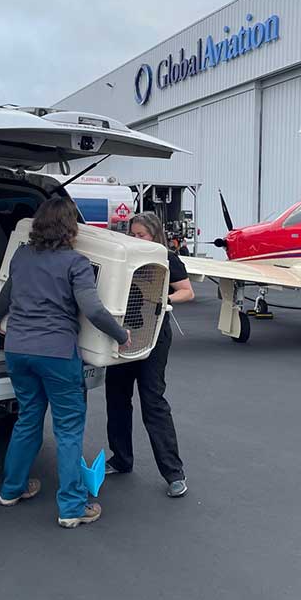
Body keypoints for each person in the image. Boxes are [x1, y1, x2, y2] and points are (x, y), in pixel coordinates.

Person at [0, 196, 130, 529]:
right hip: (56, 353)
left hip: (18, 350)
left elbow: (6, 296)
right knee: (68, 430)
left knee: (27, 419)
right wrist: (121, 335)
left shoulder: (22, 256)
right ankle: (71, 508)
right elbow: (93, 310)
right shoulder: (75, 263)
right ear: (71, 229)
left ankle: (12, 490)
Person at [105, 212, 193, 498]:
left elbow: (186, 292)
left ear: (154, 235)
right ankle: (121, 459)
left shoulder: (167, 258)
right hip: (124, 334)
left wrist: (163, 299)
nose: (135, 239)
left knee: (152, 401)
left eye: (141, 235)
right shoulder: (124, 257)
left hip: (153, 337)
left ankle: (173, 473)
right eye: (132, 233)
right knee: (117, 398)